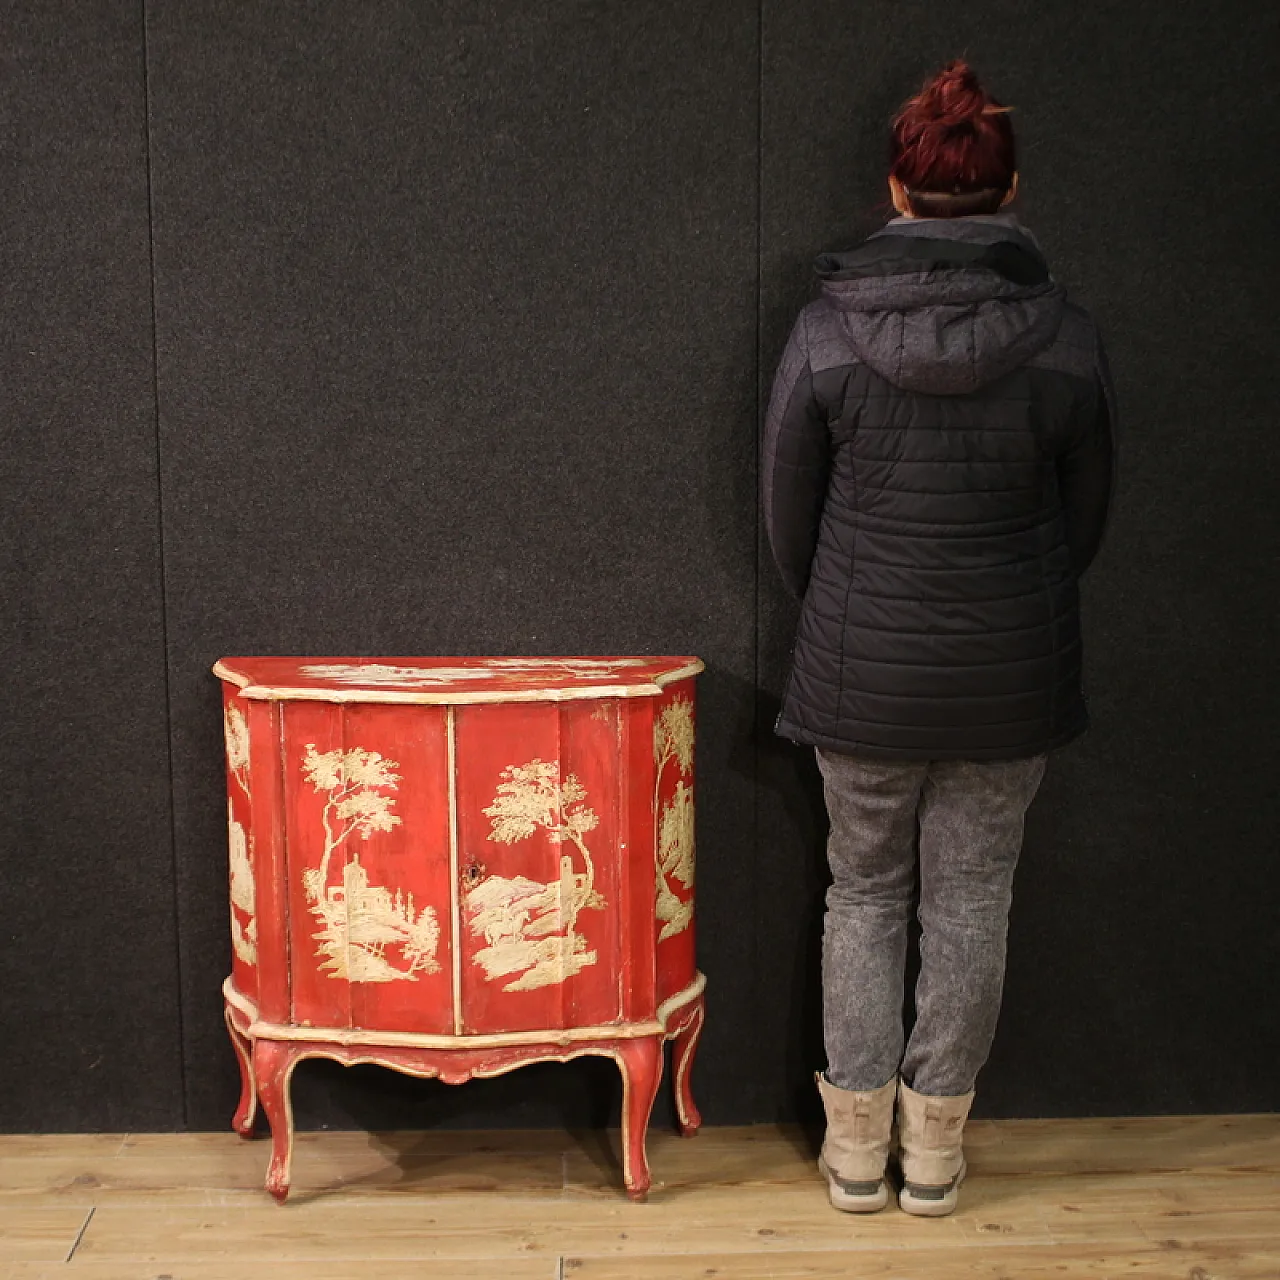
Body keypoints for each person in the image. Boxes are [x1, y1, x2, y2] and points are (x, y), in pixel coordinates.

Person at [762, 60, 1114, 1217]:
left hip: (857, 676)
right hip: (1008, 680)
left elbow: (785, 516)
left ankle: (853, 1151)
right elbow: (1085, 521)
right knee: (970, 902)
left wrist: (849, 612)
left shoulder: (825, 331)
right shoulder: (1063, 336)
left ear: (896, 195)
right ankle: (934, 1157)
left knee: (859, 894)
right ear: (1009, 192)